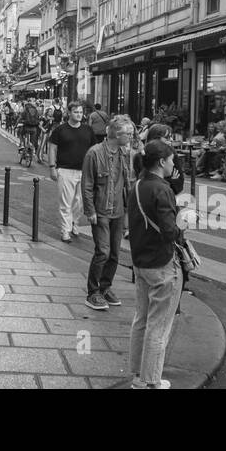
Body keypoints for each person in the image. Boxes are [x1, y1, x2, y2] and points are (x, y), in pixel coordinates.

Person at [128, 141, 183, 389]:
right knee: (158, 326)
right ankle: (151, 380)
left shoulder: (138, 184)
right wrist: (187, 222)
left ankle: (138, 376)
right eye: (172, 160)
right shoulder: (163, 190)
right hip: (162, 263)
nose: (174, 164)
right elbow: (171, 232)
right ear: (161, 162)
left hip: (140, 260)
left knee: (141, 319)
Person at [81, 116, 135, 311]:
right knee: (102, 252)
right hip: (101, 210)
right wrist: (90, 210)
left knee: (114, 254)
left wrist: (130, 209)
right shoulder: (94, 154)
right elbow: (87, 184)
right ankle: (92, 292)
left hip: (118, 211)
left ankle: (105, 288)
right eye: (128, 133)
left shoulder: (124, 153)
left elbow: (128, 181)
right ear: (116, 134)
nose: (131, 136)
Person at [49, 101, 95, 243]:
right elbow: (52, 148)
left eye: (81, 112)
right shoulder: (60, 130)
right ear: (69, 113)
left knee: (79, 202)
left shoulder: (88, 130)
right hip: (65, 170)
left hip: (84, 171)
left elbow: (94, 150)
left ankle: (75, 223)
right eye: (76, 112)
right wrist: (52, 167)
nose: (79, 115)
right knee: (66, 202)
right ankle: (65, 230)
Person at [18, 98, 43, 163]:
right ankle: (31, 150)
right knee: (32, 141)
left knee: (21, 134)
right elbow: (38, 118)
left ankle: (23, 145)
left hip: (26, 127)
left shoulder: (25, 110)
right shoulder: (35, 110)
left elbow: (20, 118)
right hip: (34, 128)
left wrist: (17, 124)